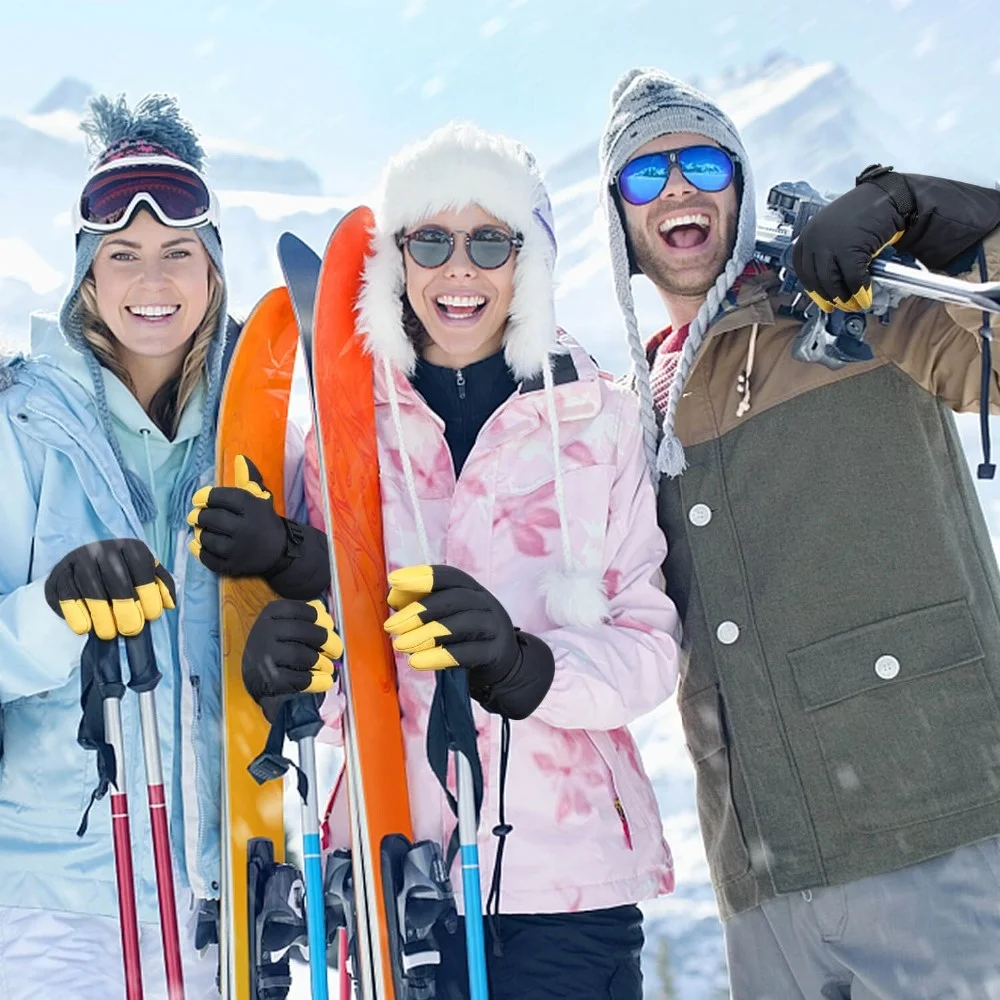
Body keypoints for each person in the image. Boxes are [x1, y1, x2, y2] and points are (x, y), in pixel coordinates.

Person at [194, 121, 683, 1000]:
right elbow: (333, 645)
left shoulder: (600, 417)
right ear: (398, 262)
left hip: (568, 888)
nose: (460, 270)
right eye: (432, 241)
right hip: (395, 876)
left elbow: (651, 653)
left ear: (527, 261)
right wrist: (288, 673)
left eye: (490, 242)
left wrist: (525, 667)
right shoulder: (343, 431)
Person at [598, 67, 1000, 998]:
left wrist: (924, 209)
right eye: (644, 177)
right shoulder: (624, 407)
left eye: (701, 160)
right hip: (764, 876)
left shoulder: (854, 308)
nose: (679, 189)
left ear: (739, 183)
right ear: (617, 218)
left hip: (931, 819)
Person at [0, 94, 321, 999]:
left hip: (226, 895)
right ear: (86, 277)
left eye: (180, 253)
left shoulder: (259, 429)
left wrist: (294, 627)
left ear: (214, 272)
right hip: (58, 900)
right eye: (124, 256)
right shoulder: (20, 425)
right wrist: (54, 609)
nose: (154, 280)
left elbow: (314, 623)